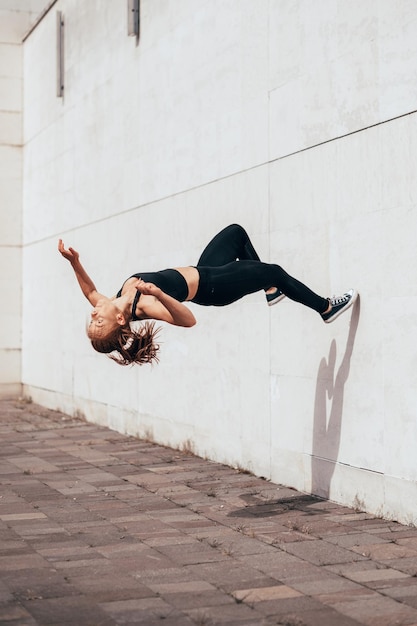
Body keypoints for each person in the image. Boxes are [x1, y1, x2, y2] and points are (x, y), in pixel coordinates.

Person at [58, 223, 358, 366]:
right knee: (275, 271)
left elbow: (90, 290)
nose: (94, 314)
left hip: (205, 270)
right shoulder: (145, 304)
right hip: (215, 287)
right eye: (98, 323)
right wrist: (160, 294)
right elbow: (188, 320)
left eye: (92, 320)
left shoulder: (110, 302)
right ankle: (325, 308)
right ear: (121, 320)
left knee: (237, 234)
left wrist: (75, 262)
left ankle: (268, 290)